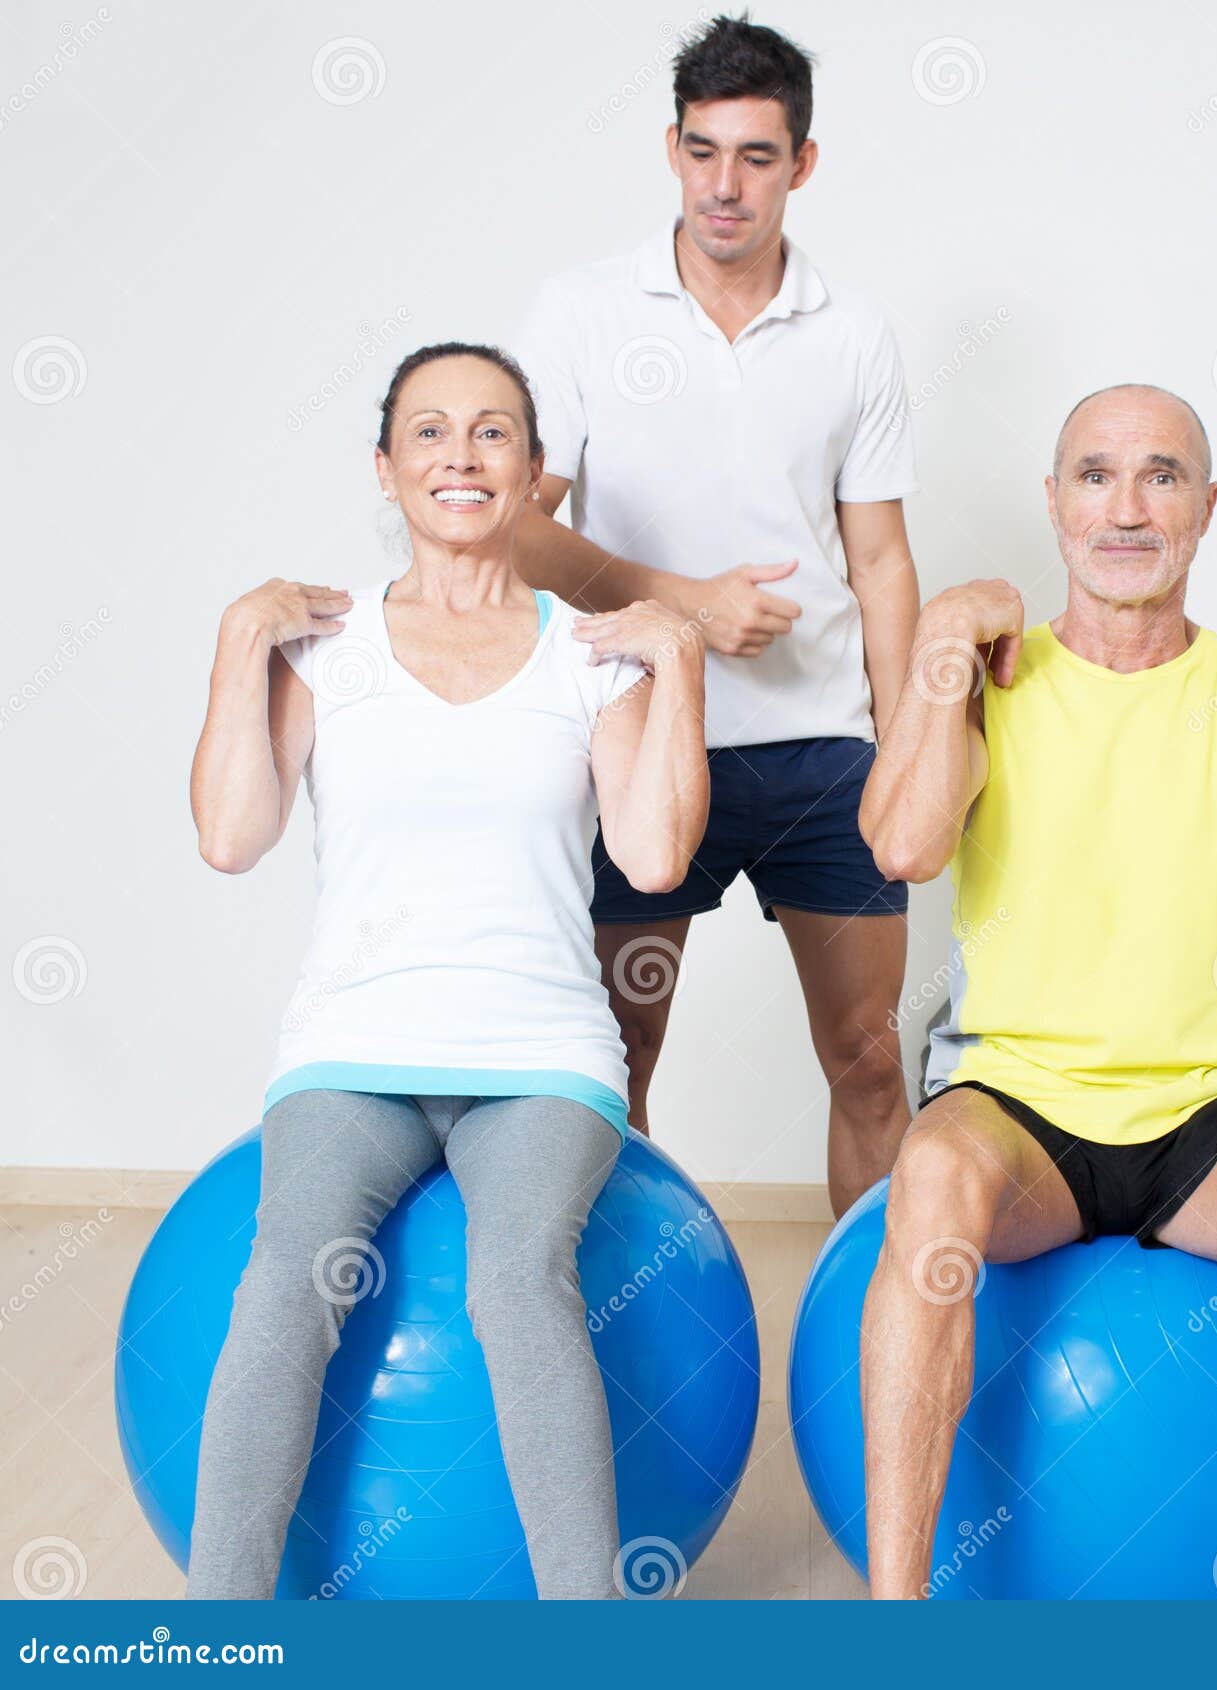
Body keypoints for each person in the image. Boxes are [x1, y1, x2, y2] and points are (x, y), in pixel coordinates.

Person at [857, 384, 1217, 1600]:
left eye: (1160, 476)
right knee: (929, 1172)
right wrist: (941, 644)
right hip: (1018, 1104)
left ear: (1205, 509)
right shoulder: (993, 682)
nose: (1126, 506)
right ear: (1055, 504)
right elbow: (904, 846)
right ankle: (891, 1627)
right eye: (1096, 475)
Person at [186, 342, 708, 1599]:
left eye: (491, 435)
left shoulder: (592, 654)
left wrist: (679, 662)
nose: (460, 458)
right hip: (353, 1044)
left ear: (535, 474)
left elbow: (651, 857)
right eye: (429, 433)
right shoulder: (324, 645)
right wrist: (235, 645)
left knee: (519, 1276)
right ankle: (214, 1629)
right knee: (286, 1269)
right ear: (385, 467)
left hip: (538, 1054)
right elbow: (228, 837)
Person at [509, 15, 921, 1215]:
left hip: (821, 754)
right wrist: (687, 608)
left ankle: (867, 1346)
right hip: (640, 737)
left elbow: (882, 562)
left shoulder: (852, 332)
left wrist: (900, 750)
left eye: (753, 156)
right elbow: (521, 529)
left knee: (868, 1061)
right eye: (700, 152)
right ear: (671, 149)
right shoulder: (583, 310)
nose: (722, 185)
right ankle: (632, 1344)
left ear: (802, 162)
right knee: (613, 1069)